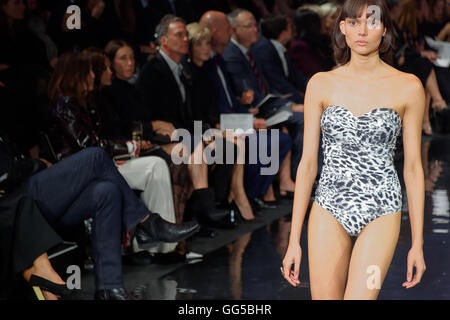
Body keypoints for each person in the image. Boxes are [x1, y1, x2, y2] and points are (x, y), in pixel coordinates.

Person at [282, 0, 426, 299]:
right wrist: (293, 239)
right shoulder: (321, 84)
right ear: (343, 28)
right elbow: (308, 163)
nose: (362, 30)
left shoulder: (408, 86)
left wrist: (417, 244)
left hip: (382, 207)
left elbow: (413, 167)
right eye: (354, 22)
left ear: (384, 29)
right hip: (329, 206)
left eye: (371, 21)